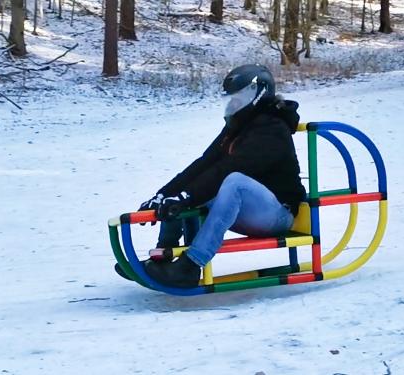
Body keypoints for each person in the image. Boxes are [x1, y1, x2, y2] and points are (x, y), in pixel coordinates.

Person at [121, 64, 306, 288]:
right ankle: (163, 256)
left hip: (277, 216)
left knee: (232, 182)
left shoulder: (272, 129)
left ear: (259, 94)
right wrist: (164, 195)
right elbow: (204, 164)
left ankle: (190, 265)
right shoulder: (238, 127)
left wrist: (186, 197)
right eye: (232, 97)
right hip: (247, 212)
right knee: (199, 186)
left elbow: (229, 168)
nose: (233, 102)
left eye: (241, 95)